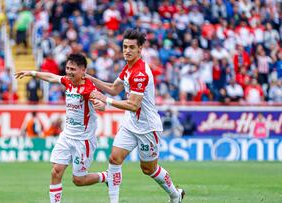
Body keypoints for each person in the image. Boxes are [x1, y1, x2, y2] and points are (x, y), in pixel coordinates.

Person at [87, 29, 185, 203]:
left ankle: (175, 195)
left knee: (149, 169)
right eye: (125, 47)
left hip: (147, 127)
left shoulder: (139, 73)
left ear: (140, 49)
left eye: (132, 47)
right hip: (131, 124)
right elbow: (114, 88)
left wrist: (106, 101)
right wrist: (89, 78)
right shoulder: (128, 67)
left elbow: (133, 105)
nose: (127, 50)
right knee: (114, 158)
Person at [15, 54, 107, 203]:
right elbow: (51, 77)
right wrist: (32, 73)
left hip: (83, 140)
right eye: (67, 68)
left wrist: (100, 106)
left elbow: (102, 103)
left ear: (83, 70)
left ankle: (106, 176)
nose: (69, 72)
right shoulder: (68, 82)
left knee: (78, 180)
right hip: (66, 136)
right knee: (56, 171)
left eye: (73, 69)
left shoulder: (89, 88)